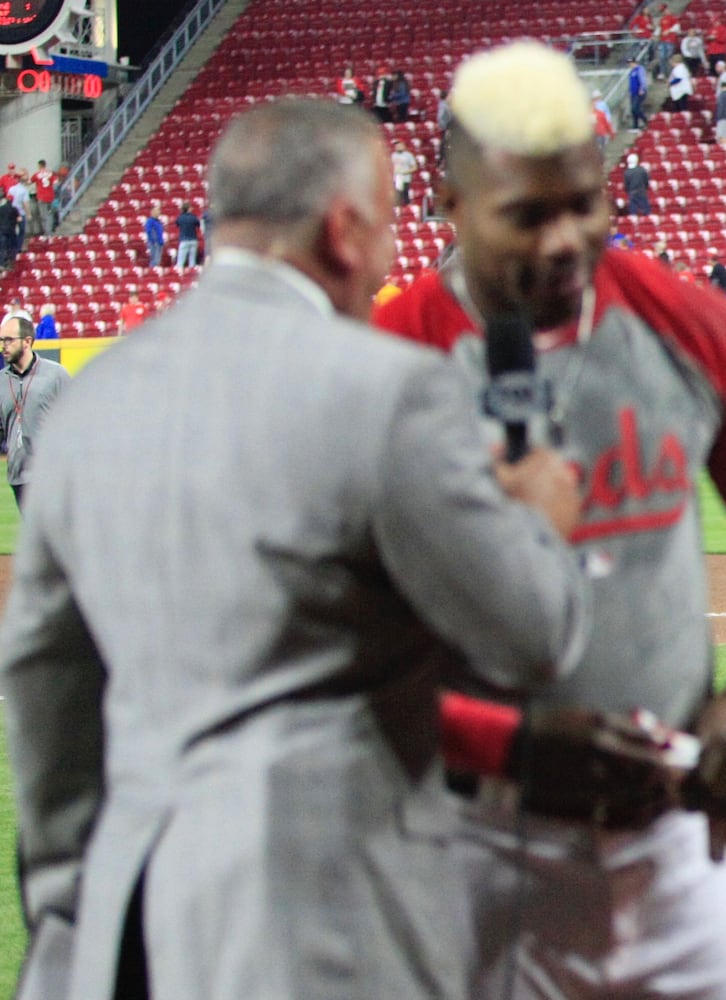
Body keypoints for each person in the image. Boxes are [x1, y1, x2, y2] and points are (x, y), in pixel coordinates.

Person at [0, 98, 589, 1000]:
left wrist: (70, 920)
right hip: (327, 929)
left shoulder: (90, 400)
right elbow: (532, 636)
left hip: (123, 928)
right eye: (392, 224)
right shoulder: (391, 391)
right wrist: (540, 517)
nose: (397, 254)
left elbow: (48, 696)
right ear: (345, 229)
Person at [369, 42, 726, 1000]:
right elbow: (325, 659)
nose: (563, 241)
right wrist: (509, 744)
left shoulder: (681, 324)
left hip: (672, 839)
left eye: (584, 203)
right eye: (525, 216)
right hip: (456, 850)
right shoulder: (377, 370)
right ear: (449, 208)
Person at [0, 312, 70, 511]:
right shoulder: (0, 382)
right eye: (1, 340)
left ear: (27, 341)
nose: (3, 345)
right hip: (19, 476)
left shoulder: (55, 375)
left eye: (9, 340)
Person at [174, 202, 202, 269]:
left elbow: (177, 224)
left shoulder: (180, 217)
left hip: (184, 240)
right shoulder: (193, 217)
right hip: (193, 239)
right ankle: (191, 275)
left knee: (181, 261)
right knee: (192, 261)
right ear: (188, 209)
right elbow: (198, 225)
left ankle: (180, 275)